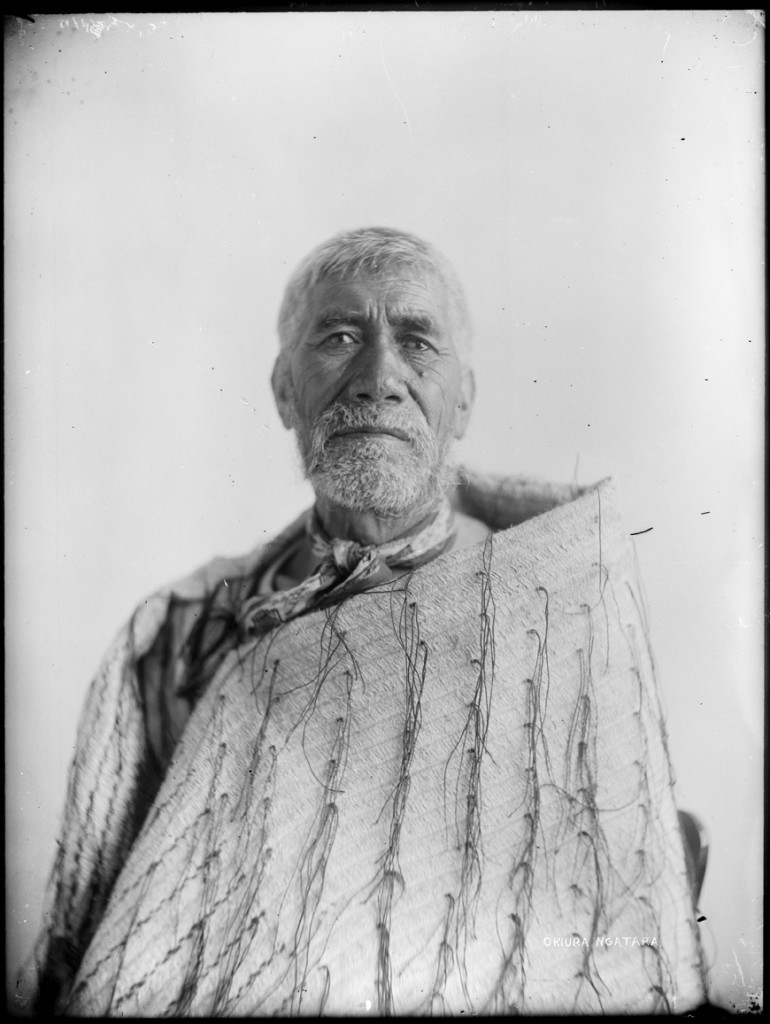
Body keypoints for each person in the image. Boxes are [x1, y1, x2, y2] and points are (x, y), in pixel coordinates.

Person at [24, 228, 708, 1016]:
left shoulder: (561, 597)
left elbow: (620, 927)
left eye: (416, 340)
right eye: (340, 337)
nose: (378, 376)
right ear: (284, 389)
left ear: (464, 401)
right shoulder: (173, 638)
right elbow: (91, 944)